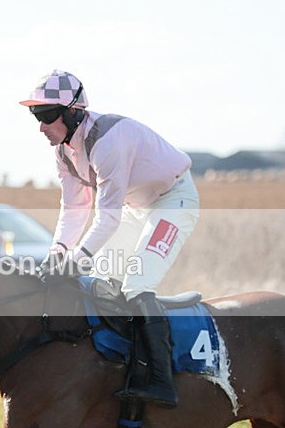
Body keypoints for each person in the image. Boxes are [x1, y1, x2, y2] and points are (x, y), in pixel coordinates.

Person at [20, 70, 199, 409]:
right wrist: (57, 254)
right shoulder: (63, 151)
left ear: (73, 112)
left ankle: (162, 382)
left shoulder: (108, 141)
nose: (41, 126)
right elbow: (74, 208)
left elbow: (107, 217)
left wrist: (75, 261)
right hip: (136, 207)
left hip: (173, 201)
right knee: (102, 283)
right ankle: (119, 365)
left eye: (46, 116)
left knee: (135, 285)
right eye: (36, 116)